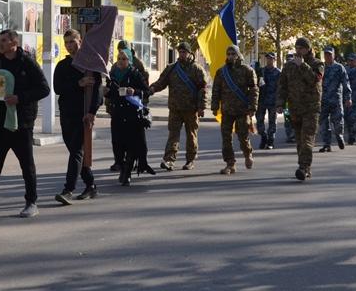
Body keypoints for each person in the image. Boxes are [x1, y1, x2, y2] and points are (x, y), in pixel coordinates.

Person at [0, 29, 50, 221]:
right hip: (0, 120)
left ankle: (31, 202)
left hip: (21, 122)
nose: (0, 44)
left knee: (26, 164)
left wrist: (20, 98)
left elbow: (44, 88)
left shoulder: (27, 62)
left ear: (14, 43)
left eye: (4, 41)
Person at [53, 29, 102, 204]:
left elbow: (98, 92)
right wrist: (78, 83)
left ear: (80, 41)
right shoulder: (62, 66)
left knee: (76, 152)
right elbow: (58, 88)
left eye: (72, 42)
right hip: (67, 114)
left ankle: (68, 190)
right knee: (75, 152)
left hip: (83, 116)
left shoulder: (90, 66)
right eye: (66, 43)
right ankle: (91, 185)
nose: (69, 46)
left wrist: (92, 112)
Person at [148, 41, 207, 171]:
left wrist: (201, 107)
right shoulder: (172, 68)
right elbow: (161, 82)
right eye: (180, 52)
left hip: (191, 109)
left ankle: (190, 160)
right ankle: (169, 160)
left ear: (189, 53)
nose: (181, 54)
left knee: (191, 135)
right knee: (173, 134)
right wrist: (152, 89)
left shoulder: (196, 69)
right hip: (175, 108)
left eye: (184, 52)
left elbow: (203, 89)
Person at [275, 37, 323, 182]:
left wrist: (302, 65)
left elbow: (315, 79)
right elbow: (282, 85)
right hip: (295, 108)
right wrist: (280, 103)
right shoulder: (289, 66)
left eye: (301, 48)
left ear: (308, 49)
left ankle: (303, 167)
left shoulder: (317, 64)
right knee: (299, 141)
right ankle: (305, 167)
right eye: (297, 48)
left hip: (311, 108)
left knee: (307, 139)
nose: (298, 51)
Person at [106, 49, 152, 186]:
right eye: (119, 58)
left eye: (124, 59)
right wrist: (106, 92)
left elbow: (147, 91)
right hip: (117, 114)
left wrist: (134, 91)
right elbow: (111, 92)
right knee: (118, 144)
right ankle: (121, 166)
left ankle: (127, 172)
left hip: (132, 115)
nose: (121, 61)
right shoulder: (113, 74)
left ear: (129, 60)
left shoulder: (135, 74)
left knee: (132, 144)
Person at [211, 44, 258, 174]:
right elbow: (216, 91)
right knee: (226, 138)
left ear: (238, 55)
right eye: (229, 54)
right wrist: (215, 106)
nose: (231, 57)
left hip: (242, 110)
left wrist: (253, 107)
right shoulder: (221, 72)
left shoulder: (247, 70)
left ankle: (248, 154)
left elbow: (254, 90)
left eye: (233, 54)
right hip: (226, 110)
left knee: (243, 136)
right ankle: (230, 163)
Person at [318, 47, 351, 152]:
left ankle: (339, 136)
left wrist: (348, 98)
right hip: (323, 100)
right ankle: (326, 144)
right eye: (326, 54)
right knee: (323, 123)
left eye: (329, 54)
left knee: (338, 122)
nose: (327, 56)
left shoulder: (339, 68)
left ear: (333, 55)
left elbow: (346, 83)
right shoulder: (321, 67)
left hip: (336, 99)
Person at [256, 53, 280, 150]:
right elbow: (257, 84)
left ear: (274, 60)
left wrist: (280, 102)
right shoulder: (262, 71)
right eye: (267, 59)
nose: (269, 60)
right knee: (259, 120)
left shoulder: (278, 73)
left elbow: (280, 88)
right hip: (262, 99)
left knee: (272, 122)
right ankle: (263, 136)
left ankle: (270, 141)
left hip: (273, 100)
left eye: (271, 59)